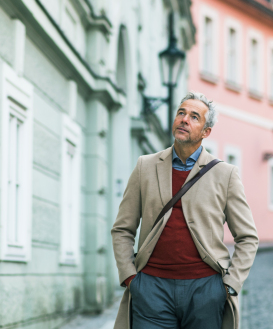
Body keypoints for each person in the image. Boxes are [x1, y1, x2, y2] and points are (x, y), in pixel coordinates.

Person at [111, 92, 259, 329]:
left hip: (205, 290)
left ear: (205, 132)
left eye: (194, 117)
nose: (184, 119)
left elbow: (248, 237)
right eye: (181, 113)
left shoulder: (225, 174)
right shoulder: (145, 166)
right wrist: (130, 276)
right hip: (151, 288)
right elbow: (122, 229)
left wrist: (230, 285)